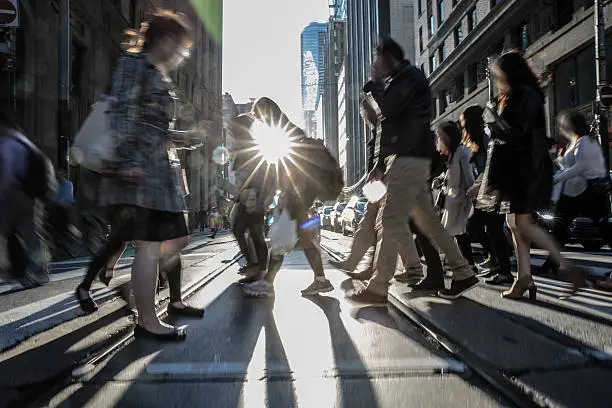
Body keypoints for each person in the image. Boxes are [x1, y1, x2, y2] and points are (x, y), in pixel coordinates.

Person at [91, 10, 200, 340]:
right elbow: (120, 114)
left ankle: (139, 291)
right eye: (179, 47)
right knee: (151, 247)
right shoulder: (134, 65)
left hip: (158, 169)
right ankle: (147, 320)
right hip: (141, 170)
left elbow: (156, 128)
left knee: (174, 241)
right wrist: (127, 162)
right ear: (164, 39)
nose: (180, 55)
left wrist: (187, 139)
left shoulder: (157, 73)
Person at [347, 37, 478, 303]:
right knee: (428, 222)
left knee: (392, 222)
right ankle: (462, 272)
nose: (374, 65)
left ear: (387, 59)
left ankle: (378, 287)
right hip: (408, 159)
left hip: (408, 159)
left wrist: (374, 85)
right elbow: (389, 126)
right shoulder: (403, 79)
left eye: (377, 59)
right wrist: (379, 164)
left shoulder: (407, 78)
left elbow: (388, 110)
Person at [483, 51, 587, 299]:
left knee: (521, 223)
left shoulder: (526, 96)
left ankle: (569, 268)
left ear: (509, 74)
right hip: (518, 169)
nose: (497, 80)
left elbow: (519, 134)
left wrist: (494, 127)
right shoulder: (515, 96)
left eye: (499, 75)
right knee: (514, 223)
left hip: (527, 169)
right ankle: (524, 278)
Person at [243, 97, 342, 297]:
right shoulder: (287, 128)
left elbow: (291, 165)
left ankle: (268, 283)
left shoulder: (281, 132)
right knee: (304, 236)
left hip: (299, 189)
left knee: (281, 233)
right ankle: (321, 280)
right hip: (305, 188)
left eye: (257, 116)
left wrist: (286, 193)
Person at [539, 110, 610, 275]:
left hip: (588, 190)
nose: (560, 130)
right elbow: (570, 166)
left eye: (563, 126)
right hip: (576, 191)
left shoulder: (585, 141)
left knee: (603, 228)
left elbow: (580, 166)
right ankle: (551, 263)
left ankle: (551, 263)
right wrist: (556, 159)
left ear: (570, 126)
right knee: (560, 229)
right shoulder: (575, 143)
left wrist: (558, 178)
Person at [0, 110, 54, 287]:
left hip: (16, 194)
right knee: (33, 235)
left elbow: (7, 174)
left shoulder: (8, 143)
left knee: (6, 230)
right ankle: (41, 271)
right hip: (32, 195)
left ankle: (15, 269)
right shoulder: (23, 139)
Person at [461, 105, 514, 285]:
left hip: (493, 189)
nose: (462, 128)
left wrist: (478, 187)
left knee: (491, 228)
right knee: (477, 226)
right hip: (487, 189)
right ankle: (496, 262)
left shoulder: (485, 138)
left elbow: (490, 167)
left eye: (464, 124)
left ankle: (504, 270)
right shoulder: (476, 141)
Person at [434, 121, 476, 269]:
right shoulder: (452, 154)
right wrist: (440, 179)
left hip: (460, 199)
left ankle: (464, 263)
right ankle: (464, 263)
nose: (438, 140)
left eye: (440, 136)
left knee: (455, 232)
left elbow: (469, 177)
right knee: (457, 233)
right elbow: (450, 174)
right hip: (453, 199)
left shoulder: (461, 152)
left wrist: (471, 198)